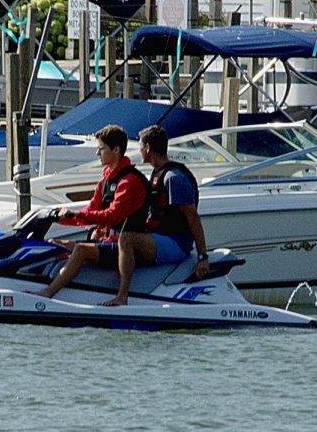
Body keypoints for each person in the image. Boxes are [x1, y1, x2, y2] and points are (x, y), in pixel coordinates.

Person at [35, 124, 149, 298]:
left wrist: (79, 215)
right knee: (54, 243)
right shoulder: (105, 180)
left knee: (81, 249)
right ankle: (34, 281)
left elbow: (112, 215)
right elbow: (90, 210)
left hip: (125, 247)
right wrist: (57, 218)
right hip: (106, 242)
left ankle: (48, 293)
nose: (98, 154)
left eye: (101, 149)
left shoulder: (129, 181)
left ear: (116, 150)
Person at [103, 124, 209, 307]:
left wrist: (202, 256)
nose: (139, 151)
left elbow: (192, 217)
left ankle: (122, 296)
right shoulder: (157, 174)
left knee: (127, 240)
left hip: (177, 243)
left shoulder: (173, 178)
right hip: (159, 236)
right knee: (116, 236)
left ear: (148, 148)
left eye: (140, 147)